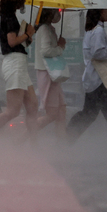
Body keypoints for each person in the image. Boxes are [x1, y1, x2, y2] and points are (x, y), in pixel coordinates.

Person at [66, 6, 107, 146]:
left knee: (89, 115)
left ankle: (66, 138)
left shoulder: (91, 31)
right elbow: (98, 53)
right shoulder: (98, 31)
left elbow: (102, 53)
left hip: (93, 82)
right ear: (100, 12)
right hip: (101, 82)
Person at [0, 0, 38, 144]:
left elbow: (16, 40)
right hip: (14, 62)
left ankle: (34, 144)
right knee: (13, 111)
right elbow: (12, 42)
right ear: (14, 3)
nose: (22, 4)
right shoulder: (9, 18)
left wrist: (27, 36)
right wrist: (28, 34)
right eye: (20, 1)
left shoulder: (10, 17)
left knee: (33, 105)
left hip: (19, 63)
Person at [34, 8, 67, 140]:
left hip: (52, 73)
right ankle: (23, 137)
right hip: (48, 73)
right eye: (55, 11)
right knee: (53, 113)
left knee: (61, 111)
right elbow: (46, 51)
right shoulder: (45, 30)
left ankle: (61, 144)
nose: (58, 14)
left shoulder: (48, 29)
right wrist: (60, 47)